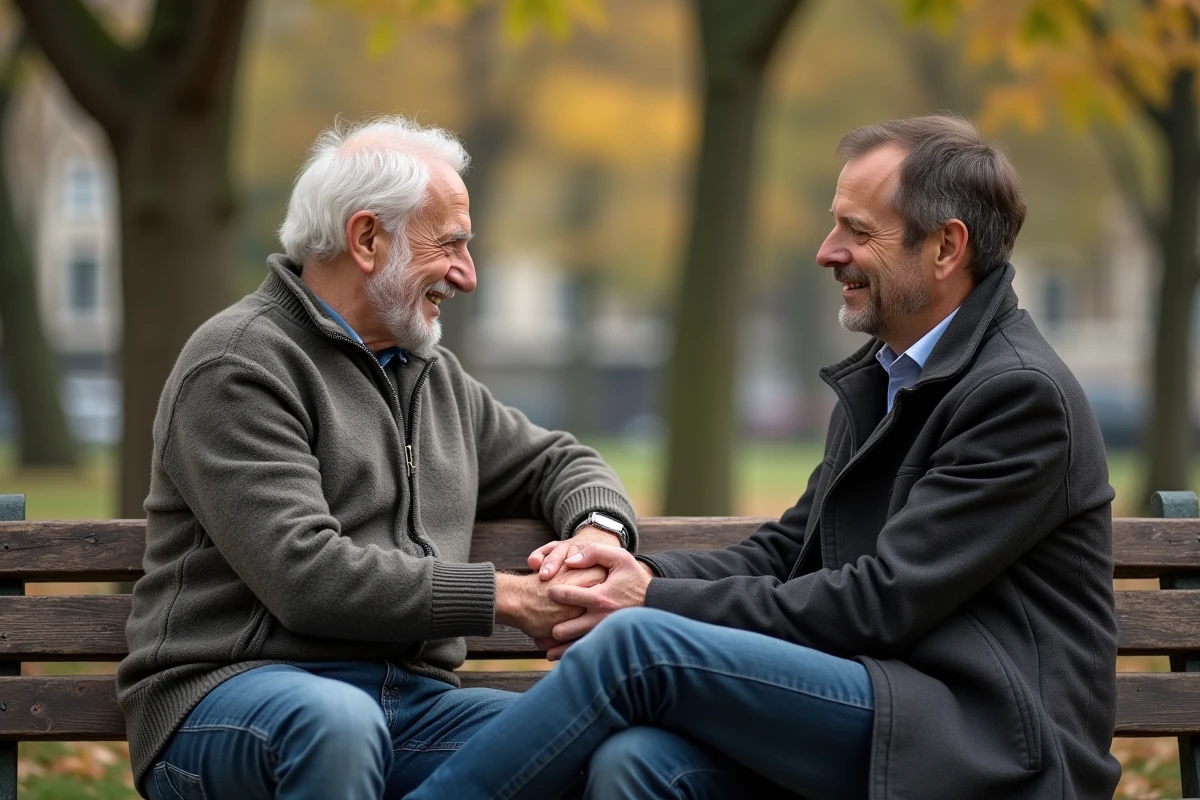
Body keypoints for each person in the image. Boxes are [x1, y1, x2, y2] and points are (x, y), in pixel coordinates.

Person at [405, 115, 1120, 800]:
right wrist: (636, 575)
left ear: (945, 247)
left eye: (857, 231)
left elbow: (880, 601)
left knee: (639, 647)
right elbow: (789, 551)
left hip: (986, 748)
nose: (827, 252)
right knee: (639, 762)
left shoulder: (1017, 396)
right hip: (885, 711)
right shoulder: (892, 377)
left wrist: (648, 601)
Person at [116, 116, 639, 800]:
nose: (468, 275)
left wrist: (599, 532)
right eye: (450, 244)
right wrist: (510, 597)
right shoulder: (238, 363)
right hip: (228, 699)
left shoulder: (432, 376)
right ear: (366, 239)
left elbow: (560, 462)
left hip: (413, 708)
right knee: (338, 724)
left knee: (599, 744)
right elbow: (307, 577)